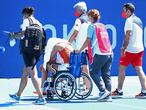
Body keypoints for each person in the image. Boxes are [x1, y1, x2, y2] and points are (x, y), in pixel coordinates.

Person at [9, 7, 46, 105]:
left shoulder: (26, 20)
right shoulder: (38, 23)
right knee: (25, 73)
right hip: (37, 50)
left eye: (23, 15)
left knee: (33, 74)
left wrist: (13, 36)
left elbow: (22, 35)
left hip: (28, 51)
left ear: (25, 14)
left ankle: (41, 98)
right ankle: (18, 95)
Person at [77, 9, 113, 102]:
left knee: (93, 72)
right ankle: (107, 95)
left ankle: (102, 90)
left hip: (100, 53)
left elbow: (88, 40)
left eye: (88, 16)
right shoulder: (102, 26)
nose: (87, 18)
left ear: (91, 17)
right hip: (109, 53)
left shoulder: (91, 27)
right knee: (106, 75)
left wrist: (79, 50)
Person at [112, 3, 146, 98]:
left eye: (124, 10)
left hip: (130, 49)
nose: (123, 12)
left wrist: (124, 47)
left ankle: (119, 90)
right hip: (140, 49)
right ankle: (144, 91)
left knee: (121, 68)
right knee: (139, 69)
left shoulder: (129, 20)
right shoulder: (139, 20)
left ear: (128, 11)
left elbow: (128, 35)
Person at [69, 1, 90, 89]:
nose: (75, 11)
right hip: (87, 48)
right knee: (83, 68)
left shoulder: (79, 20)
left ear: (81, 10)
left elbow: (75, 33)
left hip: (81, 49)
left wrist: (68, 43)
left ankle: (88, 88)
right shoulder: (89, 20)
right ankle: (85, 86)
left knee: (84, 68)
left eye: (76, 10)